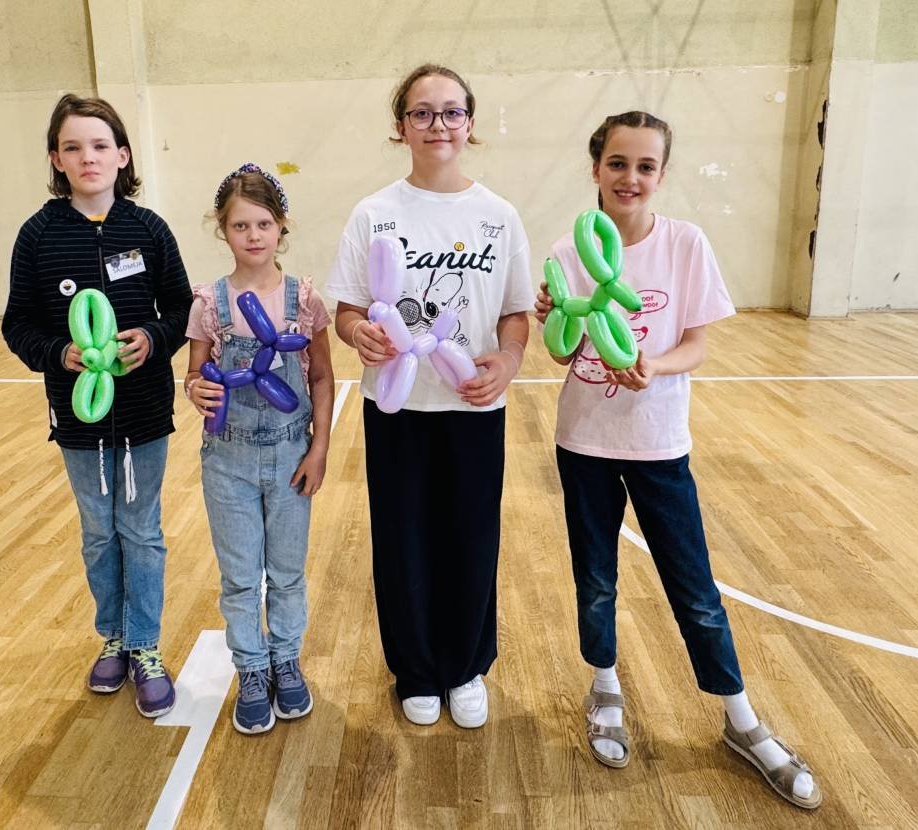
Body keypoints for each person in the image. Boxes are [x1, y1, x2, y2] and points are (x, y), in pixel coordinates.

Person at [535, 110, 820, 809]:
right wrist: (555, 317)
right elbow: (563, 355)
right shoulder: (568, 251)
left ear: (661, 174)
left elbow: (697, 344)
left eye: (645, 166)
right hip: (584, 442)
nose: (630, 177)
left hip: (659, 443)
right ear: (596, 168)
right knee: (595, 579)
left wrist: (653, 366)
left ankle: (741, 720)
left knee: (694, 588)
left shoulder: (685, 243)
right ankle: (605, 688)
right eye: (618, 163)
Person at [326, 64, 533, 728]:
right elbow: (347, 309)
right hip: (398, 409)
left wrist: (509, 359)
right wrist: (359, 334)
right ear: (401, 127)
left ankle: (465, 667)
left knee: (471, 538)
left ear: (469, 123)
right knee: (403, 540)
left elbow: (516, 312)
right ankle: (415, 671)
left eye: (450, 112)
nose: (437, 124)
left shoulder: (499, 216)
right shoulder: (374, 214)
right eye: (422, 112)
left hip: (473, 407)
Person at [2, 93, 191, 717]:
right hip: (78, 420)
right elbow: (17, 325)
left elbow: (181, 309)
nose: (88, 157)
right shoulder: (38, 235)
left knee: (141, 530)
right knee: (98, 533)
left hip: (144, 414)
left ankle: (145, 645)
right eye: (73, 147)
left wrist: (154, 338)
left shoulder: (148, 229)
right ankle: (112, 635)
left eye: (100, 145)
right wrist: (59, 354)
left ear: (123, 156)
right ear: (56, 159)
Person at [184, 164, 334, 734]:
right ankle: (251, 668)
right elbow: (194, 374)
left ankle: (285, 660)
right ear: (222, 230)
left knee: (288, 573)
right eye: (240, 225)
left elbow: (321, 376)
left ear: (281, 226)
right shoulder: (209, 303)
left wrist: (319, 448)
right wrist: (195, 389)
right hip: (228, 463)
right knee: (241, 577)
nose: (253, 235)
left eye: (263, 224)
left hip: (292, 457)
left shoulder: (304, 300)